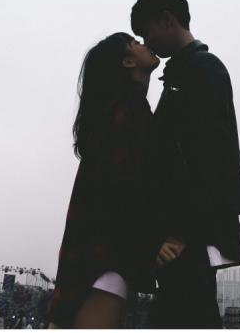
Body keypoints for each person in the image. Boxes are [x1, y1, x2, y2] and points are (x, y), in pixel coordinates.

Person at [131, 0, 240, 328]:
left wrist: (181, 232)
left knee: (187, 312)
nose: (147, 41)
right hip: (185, 231)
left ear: (167, 19)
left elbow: (210, 157)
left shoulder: (202, 69)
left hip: (188, 235)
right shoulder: (183, 74)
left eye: (147, 32)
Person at [48, 33, 164, 328]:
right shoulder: (128, 109)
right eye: (135, 43)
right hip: (108, 254)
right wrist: (157, 243)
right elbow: (129, 186)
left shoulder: (114, 110)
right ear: (127, 61)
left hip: (94, 251)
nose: (144, 43)